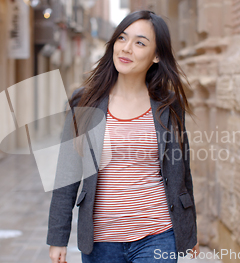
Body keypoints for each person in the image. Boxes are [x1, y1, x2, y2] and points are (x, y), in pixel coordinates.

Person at [47, 10, 199, 263]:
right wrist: (57, 237)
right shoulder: (84, 102)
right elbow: (67, 174)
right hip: (101, 240)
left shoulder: (168, 105)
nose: (126, 48)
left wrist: (189, 230)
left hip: (158, 234)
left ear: (157, 55)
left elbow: (182, 171)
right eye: (122, 38)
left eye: (140, 43)